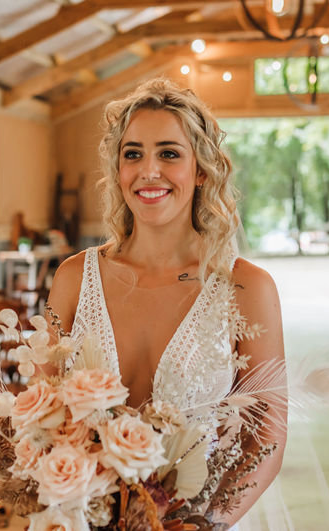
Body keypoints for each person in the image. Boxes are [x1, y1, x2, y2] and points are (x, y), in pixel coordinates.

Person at [47, 78, 288, 528]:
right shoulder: (74, 278)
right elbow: (42, 415)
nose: (148, 171)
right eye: (133, 153)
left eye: (169, 153)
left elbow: (268, 438)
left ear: (201, 170)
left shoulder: (246, 287)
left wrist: (202, 524)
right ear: (118, 170)